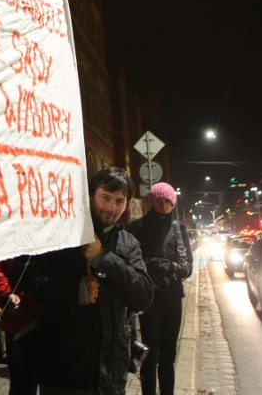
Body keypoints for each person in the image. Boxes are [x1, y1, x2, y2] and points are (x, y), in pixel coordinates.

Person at [21, 166, 154, 395]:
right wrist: (75, 289)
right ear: (91, 194)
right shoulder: (61, 232)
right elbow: (25, 275)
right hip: (64, 373)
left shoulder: (128, 243)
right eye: (105, 198)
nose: (111, 208)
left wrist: (103, 258)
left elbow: (143, 296)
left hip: (111, 374)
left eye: (119, 201)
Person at [129, 181, 193, 395]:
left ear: (173, 203)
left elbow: (189, 265)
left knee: (169, 354)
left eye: (168, 200)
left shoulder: (179, 228)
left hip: (173, 297)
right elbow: (129, 262)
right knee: (150, 353)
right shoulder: (138, 227)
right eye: (159, 199)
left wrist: (175, 267)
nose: (163, 204)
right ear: (152, 200)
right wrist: (150, 265)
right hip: (149, 298)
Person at [0, 257, 40, 395]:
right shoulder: (9, 242)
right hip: (17, 325)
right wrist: (7, 296)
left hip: (48, 323)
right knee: (21, 382)